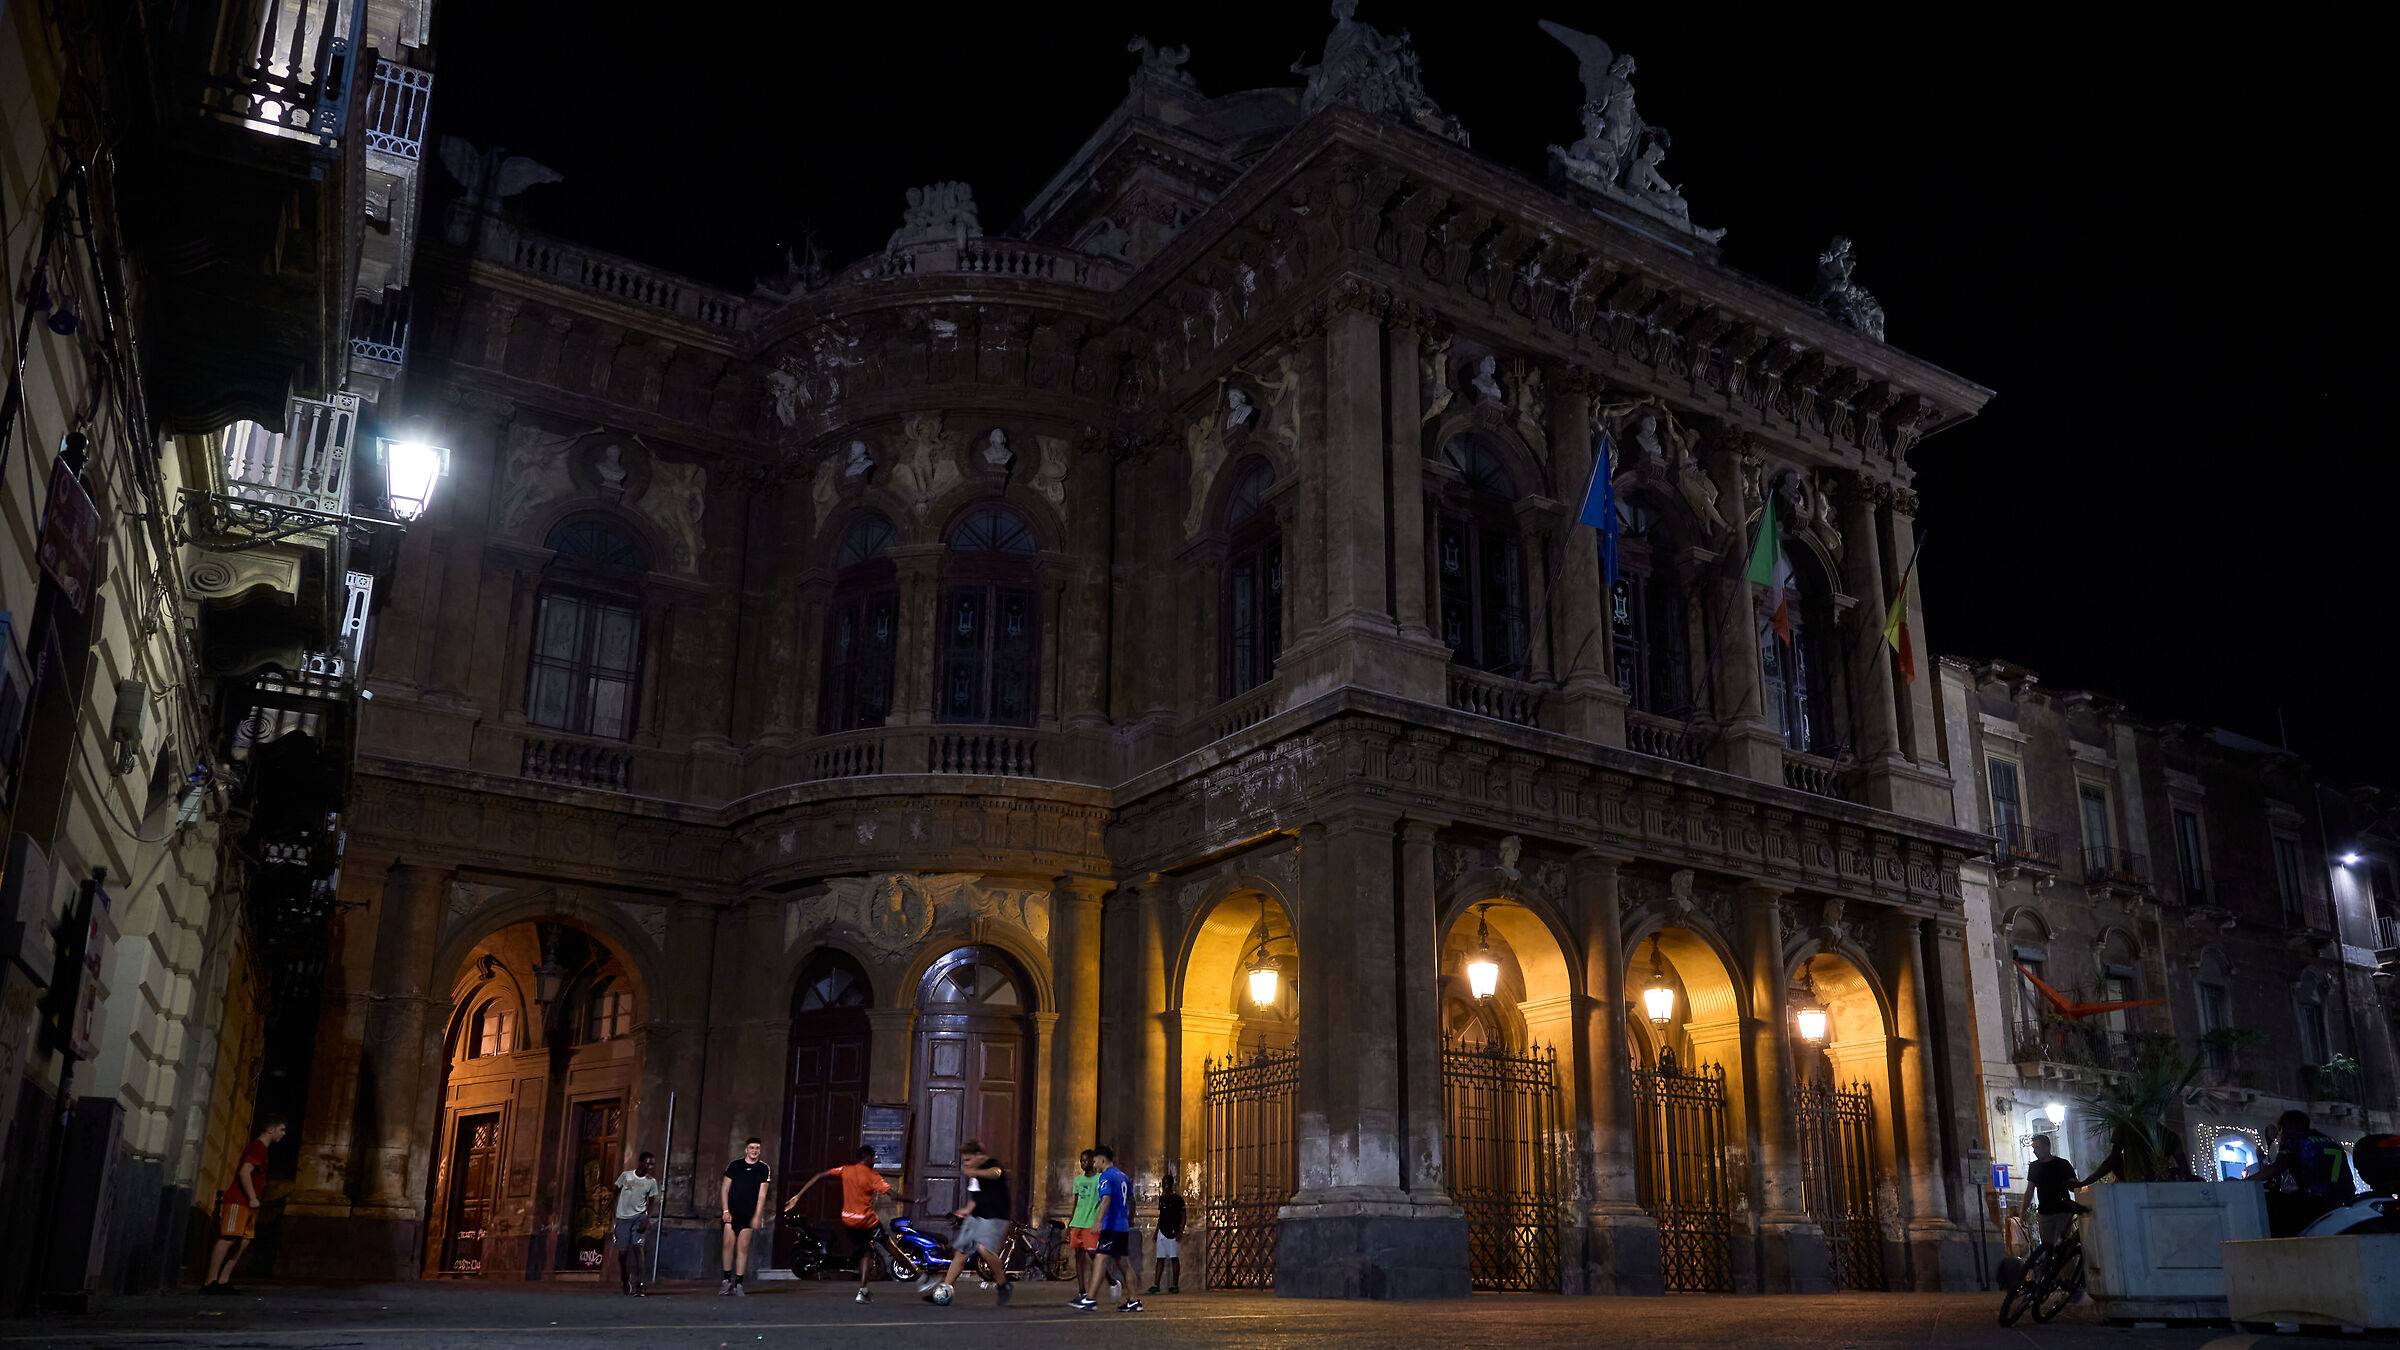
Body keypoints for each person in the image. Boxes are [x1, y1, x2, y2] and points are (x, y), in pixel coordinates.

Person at [786, 1145, 915, 1304]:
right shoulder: (872, 1176)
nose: (875, 1160)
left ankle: (863, 1291)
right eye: (873, 1157)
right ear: (867, 1158)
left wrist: (798, 1196)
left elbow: (819, 1175)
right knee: (890, 1247)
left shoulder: (845, 1170)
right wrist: (915, 1200)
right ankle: (920, 1276)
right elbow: (894, 1196)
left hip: (849, 1222)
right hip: (867, 1222)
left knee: (866, 1252)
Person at [922, 1140, 1012, 1308]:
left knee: (984, 1249)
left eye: (969, 1160)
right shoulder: (974, 1175)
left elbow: (996, 1173)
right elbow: (974, 1198)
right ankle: (944, 1290)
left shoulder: (991, 1164)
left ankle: (1003, 1284)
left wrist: (975, 1172)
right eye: (964, 1161)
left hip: (995, 1216)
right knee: (961, 1253)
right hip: (977, 1216)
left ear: (979, 1155)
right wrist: (965, 1210)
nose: (967, 1164)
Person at [202, 1115, 286, 1294]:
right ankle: (210, 1282)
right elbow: (244, 1172)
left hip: (247, 1203)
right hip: (239, 1200)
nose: (283, 1134)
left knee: (244, 1241)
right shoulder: (258, 1147)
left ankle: (223, 1280)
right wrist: (252, 1198)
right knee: (228, 1238)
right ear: (270, 1129)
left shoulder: (262, 1149)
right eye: (281, 1129)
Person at [2255, 1109, 2355, 1236]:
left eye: (2281, 1130)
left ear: (2288, 1126)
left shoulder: (2295, 1140)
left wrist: (2244, 1182)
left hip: (2310, 1203)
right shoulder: (2332, 1141)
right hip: (2338, 1202)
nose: (2281, 1135)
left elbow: (2278, 1167)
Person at [1073, 1144, 1139, 1313]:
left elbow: (1106, 1199)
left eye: (1095, 1161)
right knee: (1124, 1263)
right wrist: (1130, 1218)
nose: (1094, 1165)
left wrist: (1098, 1221)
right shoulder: (1123, 1176)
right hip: (1122, 1226)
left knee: (1100, 1259)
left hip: (1111, 1226)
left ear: (1102, 1160)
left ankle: (1090, 1299)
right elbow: (1131, 1200)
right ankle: (1134, 1300)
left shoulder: (1106, 1177)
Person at [719, 1137, 772, 1295]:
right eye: (751, 1148)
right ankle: (726, 1280)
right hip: (732, 1212)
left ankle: (739, 1283)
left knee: (742, 1248)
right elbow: (724, 1189)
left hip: (748, 1213)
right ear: (746, 1149)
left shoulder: (763, 1168)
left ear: (759, 1150)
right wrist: (725, 1211)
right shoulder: (735, 1166)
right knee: (728, 1245)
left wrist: (757, 1216)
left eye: (757, 1148)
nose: (754, 1150)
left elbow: (762, 1195)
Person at [612, 1151, 662, 1296]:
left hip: (639, 1218)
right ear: (640, 1162)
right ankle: (625, 1279)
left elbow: (652, 1203)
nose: (650, 1167)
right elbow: (614, 1192)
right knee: (622, 1252)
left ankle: (640, 1284)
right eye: (648, 1163)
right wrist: (612, 1214)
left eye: (652, 1164)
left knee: (638, 1249)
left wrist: (647, 1220)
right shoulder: (626, 1176)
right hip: (622, 1219)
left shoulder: (651, 1182)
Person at [2024, 1133, 2083, 1248]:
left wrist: (2072, 1186)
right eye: (2033, 1148)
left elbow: (2075, 1186)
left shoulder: (2062, 1164)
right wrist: (2022, 1211)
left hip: (2062, 1211)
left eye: (2037, 1148)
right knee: (2047, 1247)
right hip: (2044, 1212)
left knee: (2062, 1245)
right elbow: (2029, 1190)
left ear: (2047, 1147)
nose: (2034, 1151)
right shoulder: (2034, 1167)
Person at [1146, 1168, 1184, 1295]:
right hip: (1162, 1230)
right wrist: (1156, 1232)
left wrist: (1180, 1231)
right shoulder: (1162, 1199)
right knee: (1160, 1258)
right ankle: (1156, 1284)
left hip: (1173, 1231)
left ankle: (1175, 1285)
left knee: (1174, 1257)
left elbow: (1183, 1216)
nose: (1165, 1186)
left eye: (1167, 1183)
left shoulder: (1177, 1199)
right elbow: (1161, 1216)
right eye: (1163, 1184)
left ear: (1171, 1184)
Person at [1066, 1149, 1100, 1290]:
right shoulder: (1078, 1180)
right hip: (1078, 1222)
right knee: (1078, 1256)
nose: (1082, 1164)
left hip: (1091, 1222)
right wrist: (1070, 1222)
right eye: (1081, 1161)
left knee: (1093, 1254)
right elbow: (1076, 1203)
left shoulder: (1100, 1179)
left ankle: (1110, 1279)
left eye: (1085, 1161)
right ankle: (1081, 1290)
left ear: (1092, 1161)